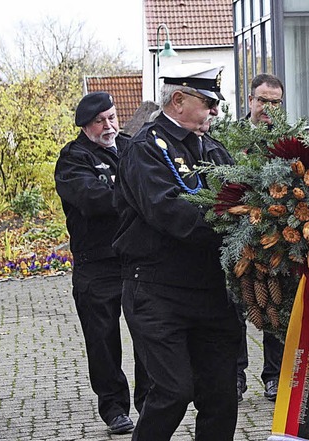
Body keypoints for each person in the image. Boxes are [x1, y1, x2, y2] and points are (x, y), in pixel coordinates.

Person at [113, 63, 241, 441]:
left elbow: (243, 193)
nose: (216, 111)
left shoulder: (213, 150)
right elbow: (168, 210)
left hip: (210, 292)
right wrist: (233, 218)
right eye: (209, 102)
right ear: (179, 99)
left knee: (221, 394)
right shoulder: (145, 149)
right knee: (173, 391)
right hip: (157, 291)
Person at [54, 92, 149, 435]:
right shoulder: (72, 159)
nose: (109, 126)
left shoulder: (130, 146)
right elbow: (93, 200)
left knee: (149, 334)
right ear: (85, 126)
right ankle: (113, 409)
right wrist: (138, 195)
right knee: (102, 341)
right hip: (96, 265)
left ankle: (150, 404)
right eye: (100, 121)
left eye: (112, 117)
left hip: (135, 260)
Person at [235, 73, 286, 403]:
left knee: (273, 304)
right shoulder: (229, 137)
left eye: (276, 102)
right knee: (234, 308)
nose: (268, 107)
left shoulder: (287, 140)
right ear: (250, 101)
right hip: (236, 237)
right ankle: (235, 375)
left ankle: (274, 375)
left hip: (275, 237)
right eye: (263, 100)